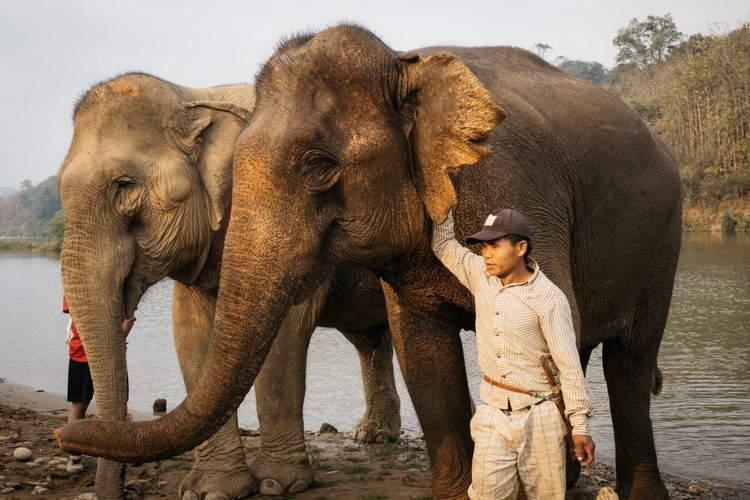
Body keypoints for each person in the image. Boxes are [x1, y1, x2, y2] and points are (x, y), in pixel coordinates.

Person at [432, 208, 595, 499]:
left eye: (495, 246)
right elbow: (443, 246)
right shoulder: (480, 276)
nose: (486, 254)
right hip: (492, 413)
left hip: (540, 415)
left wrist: (580, 426)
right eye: (483, 246)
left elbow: (569, 367)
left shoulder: (549, 299)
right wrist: (442, 204)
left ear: (521, 248)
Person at [62, 296, 135, 473]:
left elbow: (129, 317)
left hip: (98, 352)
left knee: (107, 405)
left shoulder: (114, 282)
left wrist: (117, 339)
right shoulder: (77, 280)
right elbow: (128, 318)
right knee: (85, 405)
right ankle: (79, 455)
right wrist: (116, 339)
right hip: (88, 353)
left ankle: (79, 457)